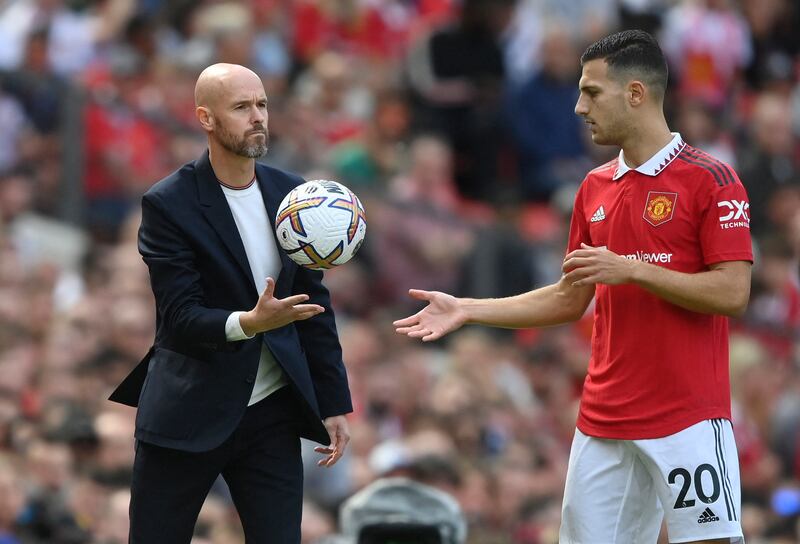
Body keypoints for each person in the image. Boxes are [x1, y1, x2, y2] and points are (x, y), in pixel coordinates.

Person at [395, 30, 752, 544]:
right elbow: (569, 297)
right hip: (602, 421)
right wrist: (468, 309)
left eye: (591, 92)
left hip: (687, 419)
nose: (580, 107)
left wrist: (632, 269)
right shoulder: (594, 187)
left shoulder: (713, 180)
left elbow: (732, 293)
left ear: (636, 93)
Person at [109, 63, 353, 544]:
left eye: (262, 104)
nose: (258, 116)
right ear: (206, 118)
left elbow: (314, 304)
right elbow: (180, 317)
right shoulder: (168, 203)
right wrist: (250, 322)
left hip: (271, 414)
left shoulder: (293, 193)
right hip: (188, 411)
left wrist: (333, 402)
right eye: (242, 107)